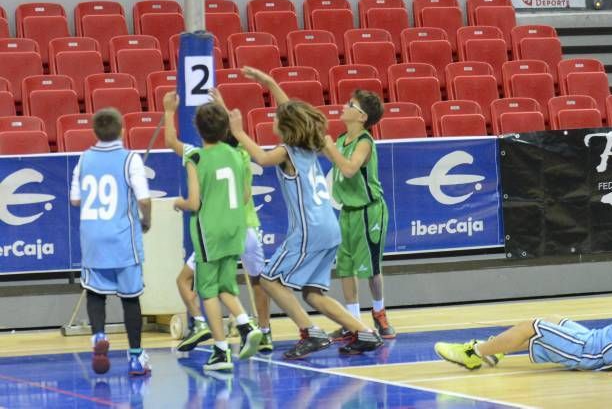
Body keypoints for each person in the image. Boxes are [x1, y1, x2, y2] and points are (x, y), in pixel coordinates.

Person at [228, 66, 383, 359]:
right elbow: (293, 112)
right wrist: (271, 82)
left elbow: (260, 156)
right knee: (313, 293)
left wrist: (238, 132)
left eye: (275, 118)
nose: (273, 119)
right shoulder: (310, 146)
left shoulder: (287, 151)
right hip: (329, 227)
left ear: (286, 128)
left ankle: (310, 332)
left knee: (270, 280)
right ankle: (365, 332)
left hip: (310, 229)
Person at [164, 89, 273, 354]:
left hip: (210, 232)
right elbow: (247, 193)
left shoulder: (196, 156)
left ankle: (221, 348)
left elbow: (194, 203)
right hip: (237, 229)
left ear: (197, 129)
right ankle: (249, 326)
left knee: (208, 291)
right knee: (227, 286)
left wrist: (169, 111)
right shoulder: (238, 155)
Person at [435, 270, 612, 375]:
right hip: (595, 343)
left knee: (532, 326)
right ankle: (494, 352)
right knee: (554, 320)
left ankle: (472, 352)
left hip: (591, 351)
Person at [69, 108, 152, 376]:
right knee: (130, 299)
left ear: (94, 132)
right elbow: (144, 198)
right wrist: (146, 219)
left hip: (92, 237)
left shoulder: (84, 159)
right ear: (123, 130)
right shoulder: (130, 159)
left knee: (95, 293)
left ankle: (98, 337)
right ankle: (136, 358)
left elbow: (75, 200)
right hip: (121, 239)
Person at [322, 89, 396, 341]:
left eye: (350, 104)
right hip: (347, 212)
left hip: (369, 212)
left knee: (372, 269)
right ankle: (353, 322)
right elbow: (328, 151)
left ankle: (379, 312)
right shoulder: (341, 138)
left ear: (362, 116)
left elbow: (351, 168)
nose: (344, 106)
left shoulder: (364, 141)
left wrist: (329, 148)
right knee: (345, 267)